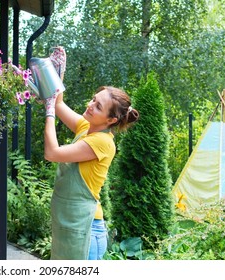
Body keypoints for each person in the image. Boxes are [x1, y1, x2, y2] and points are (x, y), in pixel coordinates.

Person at [44, 47, 139, 260]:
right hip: (70, 227)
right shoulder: (85, 127)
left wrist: (48, 110)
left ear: (111, 120)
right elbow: (58, 104)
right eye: (93, 99)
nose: (89, 105)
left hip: (86, 231)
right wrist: (58, 74)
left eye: (97, 106)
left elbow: (52, 152)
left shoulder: (103, 142)